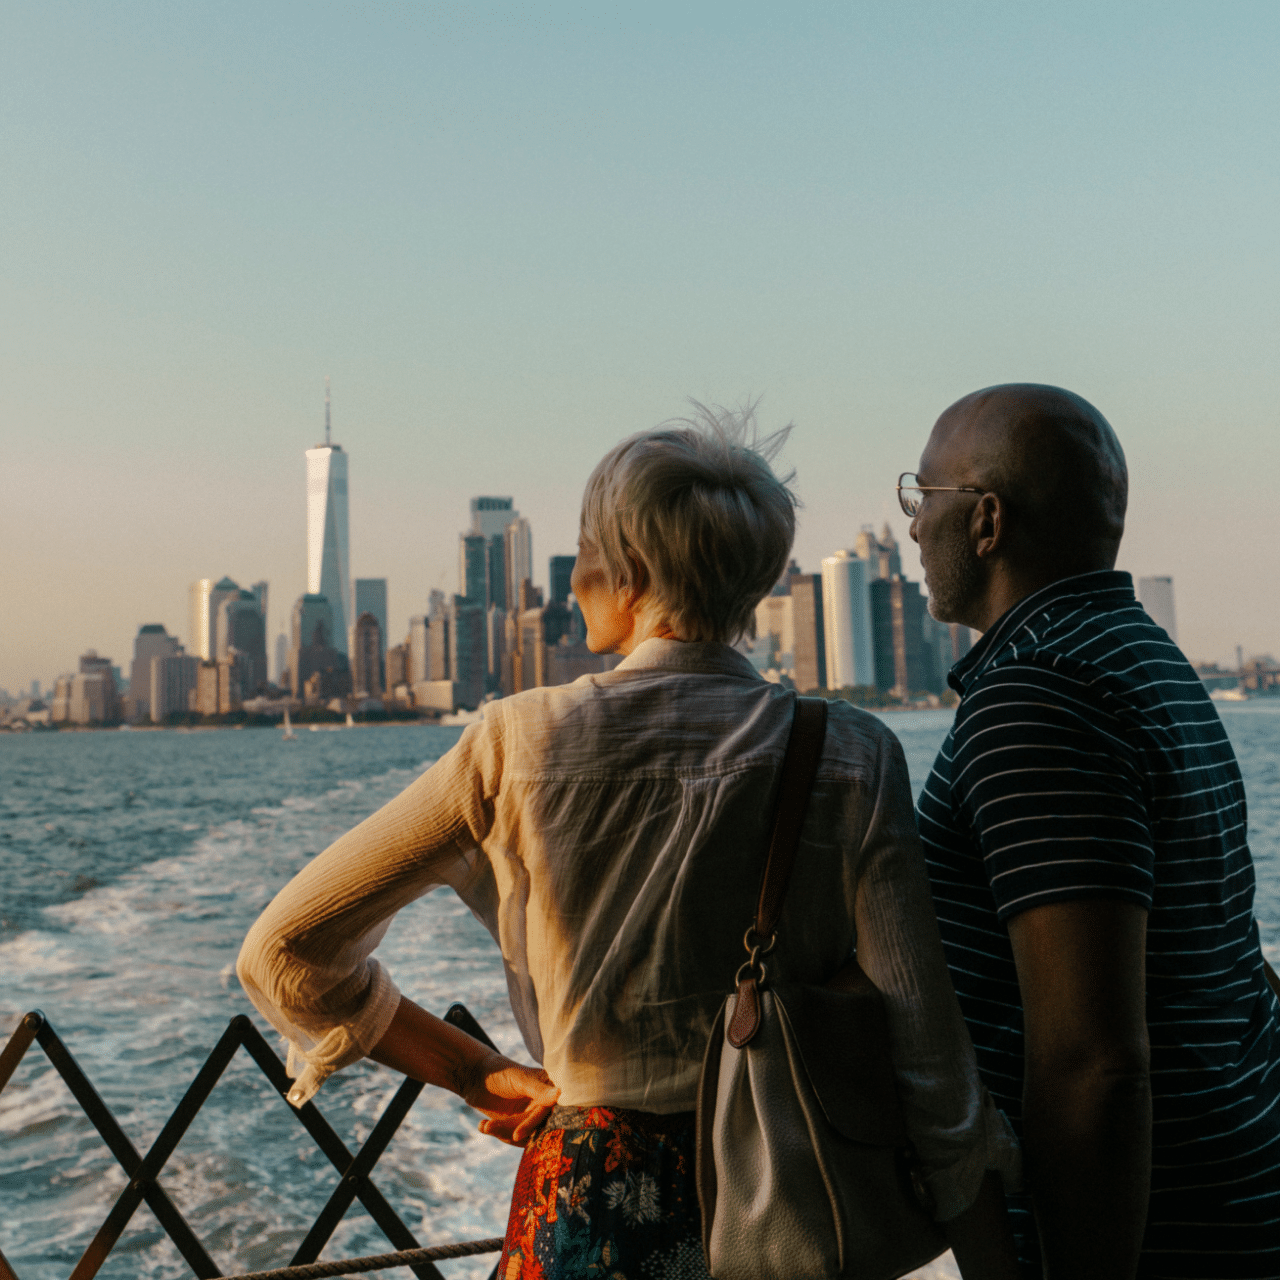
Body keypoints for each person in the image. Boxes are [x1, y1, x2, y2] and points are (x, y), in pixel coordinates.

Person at [238, 404, 1019, 1279]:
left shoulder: (513, 744)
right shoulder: (848, 751)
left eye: (588, 553)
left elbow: (285, 951)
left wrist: (470, 1073)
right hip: (795, 1211)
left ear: (634, 573)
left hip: (583, 1212)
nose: (574, 578)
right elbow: (932, 1062)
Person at [905, 383, 1280, 1279]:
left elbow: (1091, 1060)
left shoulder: (1036, 697)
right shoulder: (1137, 652)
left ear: (987, 520)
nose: (915, 529)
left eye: (923, 498)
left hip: (1166, 1239)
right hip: (1234, 1189)